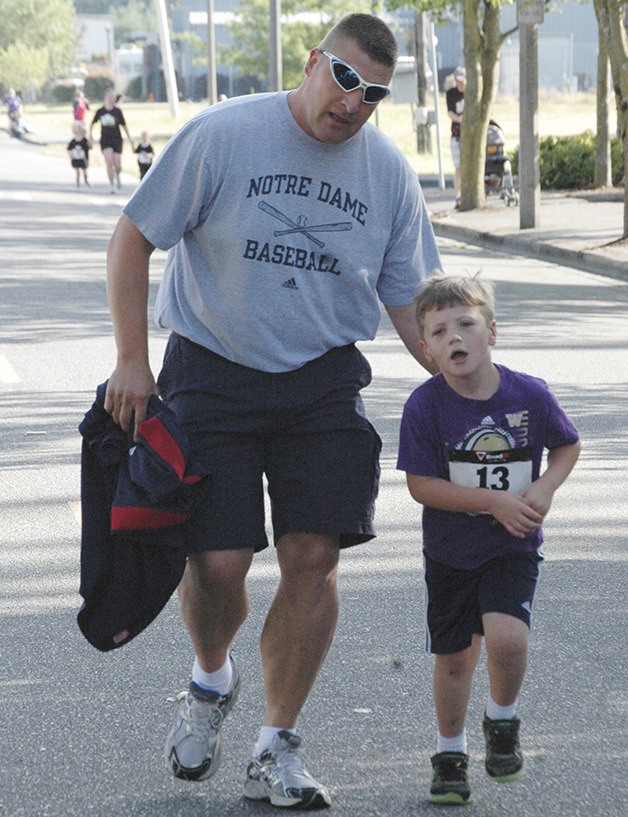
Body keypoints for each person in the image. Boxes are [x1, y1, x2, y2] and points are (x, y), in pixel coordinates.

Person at [103, 12, 441, 809]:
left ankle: (275, 744)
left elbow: (414, 301)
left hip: (320, 383)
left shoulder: (387, 174)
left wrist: (472, 386)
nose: (354, 103)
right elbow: (131, 238)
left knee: (314, 557)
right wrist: (130, 359)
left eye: (376, 94)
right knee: (218, 565)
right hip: (212, 372)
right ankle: (211, 679)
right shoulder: (225, 134)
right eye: (346, 79)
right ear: (313, 61)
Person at [397, 273, 581, 805]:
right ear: (428, 350)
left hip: (512, 546)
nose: (454, 337)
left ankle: (501, 721)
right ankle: (449, 755)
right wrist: (492, 501)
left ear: (491, 332)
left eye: (466, 324)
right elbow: (420, 485)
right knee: (455, 658)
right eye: (438, 331)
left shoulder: (530, 395)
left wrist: (543, 487)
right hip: (450, 553)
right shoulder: (425, 407)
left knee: (506, 639)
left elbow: (567, 446)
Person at [89, 88, 132, 194]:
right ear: (105, 98)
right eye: (109, 96)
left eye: (112, 96)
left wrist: (130, 138)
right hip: (105, 139)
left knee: (117, 163)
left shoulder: (118, 111)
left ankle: (117, 174)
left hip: (117, 138)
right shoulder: (100, 111)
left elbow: (124, 125)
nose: (110, 98)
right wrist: (90, 136)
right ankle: (112, 185)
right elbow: (93, 123)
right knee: (109, 162)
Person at [446, 67, 466, 208]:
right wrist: (460, 119)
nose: (459, 84)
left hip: (468, 135)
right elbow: (450, 113)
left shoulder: (471, 92)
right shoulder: (451, 94)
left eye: (461, 81)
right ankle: (458, 194)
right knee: (458, 166)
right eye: (457, 81)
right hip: (457, 134)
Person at [67, 122, 90, 188]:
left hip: (83, 158)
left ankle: (86, 180)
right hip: (75, 158)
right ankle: (77, 184)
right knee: (77, 172)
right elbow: (69, 148)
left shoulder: (85, 140)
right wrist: (70, 155)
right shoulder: (73, 141)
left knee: (84, 171)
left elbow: (89, 147)